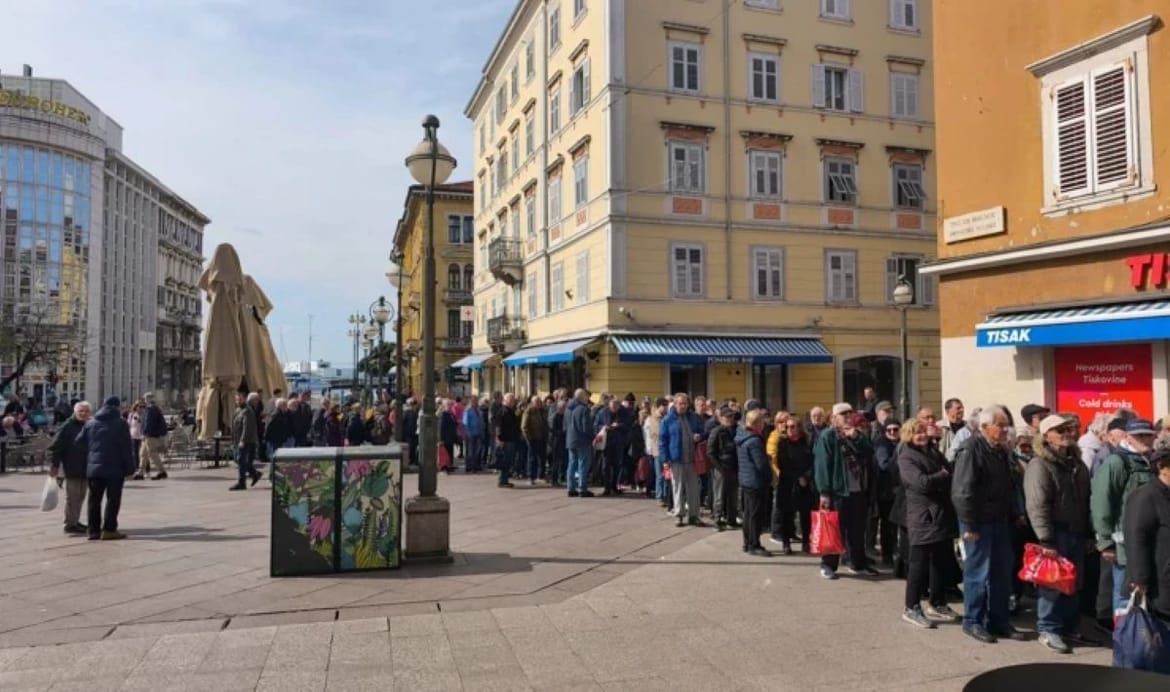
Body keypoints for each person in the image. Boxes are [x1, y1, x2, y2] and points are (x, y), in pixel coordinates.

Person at [952, 405, 1027, 644]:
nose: (1006, 429)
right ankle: (973, 621)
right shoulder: (972, 449)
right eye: (1000, 425)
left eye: (1007, 425)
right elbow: (962, 491)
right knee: (977, 573)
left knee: (1001, 573)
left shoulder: (1001, 450)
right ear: (984, 427)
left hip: (1000, 521)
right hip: (978, 523)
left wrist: (1015, 513)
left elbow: (1009, 486)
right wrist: (970, 524)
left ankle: (999, 621)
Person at [1025, 414, 1092, 654]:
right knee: (1052, 584)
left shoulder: (1077, 463)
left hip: (1076, 531)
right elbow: (1037, 504)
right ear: (1046, 436)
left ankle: (1070, 627)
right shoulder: (1040, 465)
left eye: (1067, 429)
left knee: (1073, 583)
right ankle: (1049, 629)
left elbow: (1086, 501)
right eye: (1058, 429)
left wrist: (1089, 533)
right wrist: (1046, 539)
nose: (1065, 433)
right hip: (1055, 533)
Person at [1092, 418, 1157, 624]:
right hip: (1123, 543)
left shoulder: (1153, 461)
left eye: (1148, 435)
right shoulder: (1117, 462)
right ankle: (1125, 643)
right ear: (1127, 436)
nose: (1145, 439)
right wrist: (1105, 542)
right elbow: (1102, 503)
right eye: (1139, 436)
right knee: (1124, 594)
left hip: (1151, 540)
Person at [898, 418, 960, 628]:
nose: (922, 435)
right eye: (917, 432)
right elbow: (921, 483)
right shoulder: (906, 456)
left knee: (941, 562)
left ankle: (938, 601)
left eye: (923, 431)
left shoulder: (932, 451)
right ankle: (911, 607)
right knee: (918, 565)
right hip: (923, 517)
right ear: (909, 434)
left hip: (941, 515)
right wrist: (941, 475)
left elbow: (949, 471)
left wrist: (943, 475)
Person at [814, 405, 878, 579]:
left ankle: (857, 563)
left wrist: (856, 437)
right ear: (834, 418)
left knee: (857, 529)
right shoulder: (828, 436)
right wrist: (824, 492)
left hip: (858, 489)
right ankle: (828, 565)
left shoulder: (856, 434)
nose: (848, 416)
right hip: (838, 491)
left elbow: (869, 452)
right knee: (834, 529)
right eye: (843, 414)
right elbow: (822, 465)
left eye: (850, 413)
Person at [1123, 448, 1170, 634]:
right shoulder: (1146, 496)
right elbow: (1136, 538)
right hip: (1159, 579)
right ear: (1162, 468)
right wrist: (1139, 578)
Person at [76, 397, 135, 540]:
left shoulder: (91, 423)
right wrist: (130, 468)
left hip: (94, 468)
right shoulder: (121, 424)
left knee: (94, 499)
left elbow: (78, 442)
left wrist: (92, 452)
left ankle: (93, 531)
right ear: (117, 407)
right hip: (115, 468)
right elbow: (126, 448)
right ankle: (109, 529)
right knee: (113, 499)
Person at [768, 413, 815, 554]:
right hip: (787, 482)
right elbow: (783, 464)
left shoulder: (807, 442)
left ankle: (806, 542)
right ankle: (786, 543)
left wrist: (806, 476)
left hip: (804, 484)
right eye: (787, 427)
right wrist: (797, 477)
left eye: (792, 427)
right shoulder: (782, 443)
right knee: (786, 515)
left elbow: (812, 462)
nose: (789, 429)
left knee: (805, 515)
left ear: (799, 428)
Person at [660, 393, 704, 528]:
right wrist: (665, 459)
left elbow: (702, 432)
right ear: (675, 404)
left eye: (685, 403)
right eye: (680, 403)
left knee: (694, 489)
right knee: (677, 487)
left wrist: (699, 436)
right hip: (676, 459)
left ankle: (694, 515)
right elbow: (663, 441)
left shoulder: (694, 418)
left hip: (692, 459)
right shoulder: (668, 420)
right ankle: (679, 515)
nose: (683, 406)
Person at [48, 401, 92, 535]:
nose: (83, 414)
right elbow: (56, 447)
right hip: (71, 466)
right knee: (72, 497)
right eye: (81, 411)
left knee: (81, 496)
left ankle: (75, 520)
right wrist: (54, 466)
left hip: (86, 467)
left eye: (86, 411)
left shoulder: (89, 425)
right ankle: (69, 524)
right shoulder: (67, 426)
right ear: (75, 412)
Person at [737, 408, 771, 557]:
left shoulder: (742, 436)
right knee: (755, 515)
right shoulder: (755, 441)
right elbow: (761, 464)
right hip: (755, 481)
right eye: (762, 421)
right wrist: (769, 476)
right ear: (757, 423)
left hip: (746, 479)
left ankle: (747, 542)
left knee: (748, 514)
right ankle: (754, 544)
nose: (764, 424)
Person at [872, 417, 902, 567]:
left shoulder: (902, 443)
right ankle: (887, 555)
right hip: (886, 491)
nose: (892, 432)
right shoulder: (882, 444)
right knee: (887, 524)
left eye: (895, 429)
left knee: (896, 524)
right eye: (889, 430)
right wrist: (898, 455)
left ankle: (896, 552)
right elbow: (885, 466)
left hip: (900, 490)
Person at [707, 406, 739, 531]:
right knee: (719, 495)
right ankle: (717, 518)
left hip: (733, 467)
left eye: (731, 417)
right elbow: (710, 452)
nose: (730, 419)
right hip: (721, 468)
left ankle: (731, 519)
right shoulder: (716, 431)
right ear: (721, 418)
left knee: (733, 495)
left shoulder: (735, 430)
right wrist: (719, 467)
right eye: (727, 417)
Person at [593, 397, 631, 496]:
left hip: (618, 442)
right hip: (606, 442)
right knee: (606, 466)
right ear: (609, 405)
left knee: (617, 465)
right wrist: (603, 427)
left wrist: (618, 425)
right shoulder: (602, 412)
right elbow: (596, 425)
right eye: (612, 406)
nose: (614, 408)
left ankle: (614, 486)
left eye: (616, 406)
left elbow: (628, 426)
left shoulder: (623, 413)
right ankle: (607, 487)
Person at [231, 392, 263, 491]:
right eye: (236, 400)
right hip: (238, 439)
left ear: (245, 399)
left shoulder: (247, 411)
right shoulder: (238, 410)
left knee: (240, 459)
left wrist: (243, 440)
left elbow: (247, 427)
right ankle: (254, 473)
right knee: (239, 459)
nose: (238, 401)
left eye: (240, 399)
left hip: (247, 440)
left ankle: (242, 482)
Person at [566, 389, 595, 497]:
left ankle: (571, 488)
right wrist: (592, 436)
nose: (588, 398)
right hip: (582, 441)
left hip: (571, 440)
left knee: (572, 464)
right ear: (582, 397)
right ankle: (583, 488)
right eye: (586, 396)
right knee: (583, 464)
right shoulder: (584, 409)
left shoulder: (569, 408)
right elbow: (585, 427)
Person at [644, 397, 669, 507]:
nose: (667, 408)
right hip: (658, 450)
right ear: (660, 406)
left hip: (666, 449)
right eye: (665, 406)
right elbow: (656, 433)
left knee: (666, 474)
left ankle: (665, 495)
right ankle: (659, 496)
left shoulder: (666, 417)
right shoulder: (654, 418)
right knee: (660, 475)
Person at [139, 393, 169, 480]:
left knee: (152, 453)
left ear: (147, 399)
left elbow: (149, 423)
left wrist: (145, 433)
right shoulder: (155, 408)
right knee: (143, 454)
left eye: (145, 398)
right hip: (150, 435)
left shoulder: (150, 409)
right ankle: (141, 473)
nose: (144, 400)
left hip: (149, 435)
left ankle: (162, 471)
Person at [495, 393, 520, 488]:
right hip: (505, 440)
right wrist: (499, 439)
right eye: (511, 400)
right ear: (505, 401)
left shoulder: (510, 411)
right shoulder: (503, 411)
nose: (513, 402)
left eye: (513, 400)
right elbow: (498, 426)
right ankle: (502, 480)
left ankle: (505, 479)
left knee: (508, 461)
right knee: (505, 461)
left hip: (511, 438)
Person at [521, 395, 548, 485]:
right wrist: (528, 437)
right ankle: (530, 477)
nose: (539, 403)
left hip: (542, 438)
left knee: (542, 458)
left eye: (539, 401)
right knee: (532, 458)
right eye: (537, 402)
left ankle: (540, 476)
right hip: (533, 438)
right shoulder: (529, 411)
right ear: (532, 403)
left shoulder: (542, 411)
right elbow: (524, 426)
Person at [462, 397, 484, 474]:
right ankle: (469, 466)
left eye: (476, 401)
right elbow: (465, 423)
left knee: (476, 451)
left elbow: (481, 422)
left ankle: (475, 465)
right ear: (471, 402)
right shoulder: (468, 411)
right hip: (470, 434)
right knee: (470, 451)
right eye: (474, 401)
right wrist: (468, 433)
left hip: (478, 433)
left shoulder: (478, 410)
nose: (475, 402)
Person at [438, 400, 458, 473]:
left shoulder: (451, 414)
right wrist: (441, 439)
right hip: (445, 437)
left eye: (451, 405)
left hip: (450, 436)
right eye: (448, 405)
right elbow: (441, 427)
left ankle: (449, 465)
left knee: (450, 451)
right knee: (445, 452)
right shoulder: (443, 414)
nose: (450, 406)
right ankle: (444, 466)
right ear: (445, 406)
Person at [127, 400, 145, 479]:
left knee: (143, 453)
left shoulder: (145, 415)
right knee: (135, 452)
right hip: (133, 435)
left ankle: (144, 469)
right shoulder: (132, 415)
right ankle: (136, 468)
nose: (141, 408)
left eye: (143, 407)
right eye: (140, 407)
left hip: (142, 436)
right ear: (136, 407)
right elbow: (128, 424)